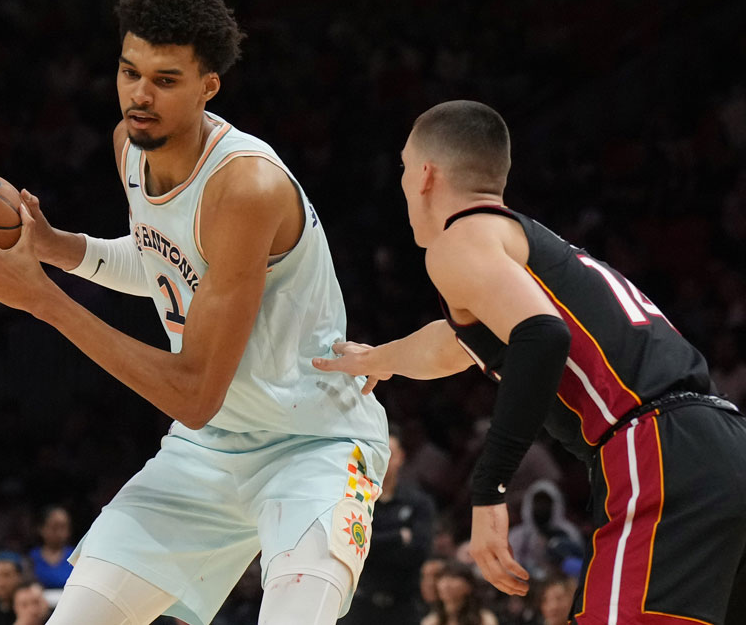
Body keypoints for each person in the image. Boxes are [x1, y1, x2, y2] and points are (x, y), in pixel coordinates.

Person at [0, 0, 389, 625]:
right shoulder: (130, 146)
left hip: (318, 445)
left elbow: (194, 391)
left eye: (165, 80)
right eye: (129, 71)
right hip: (211, 449)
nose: (140, 95)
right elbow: (166, 265)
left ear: (208, 87)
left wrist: (43, 299)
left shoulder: (246, 187)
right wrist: (58, 247)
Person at [315, 100, 746, 624]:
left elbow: (541, 336)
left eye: (405, 168)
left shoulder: (459, 237)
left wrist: (489, 488)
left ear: (425, 175)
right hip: (721, 441)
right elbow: (454, 343)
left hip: (657, 448)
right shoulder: (518, 246)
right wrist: (381, 358)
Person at [341, 424, 435, 625]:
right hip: (358, 606)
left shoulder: (418, 502)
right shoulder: (352, 499)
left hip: (403, 608)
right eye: (377, 453)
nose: (383, 460)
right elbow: (347, 546)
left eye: (389, 454)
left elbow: (420, 551)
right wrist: (398, 537)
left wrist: (371, 543)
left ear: (401, 457)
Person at [505, 480, 582, 580]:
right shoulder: (518, 535)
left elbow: (579, 568)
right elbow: (508, 568)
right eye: (538, 502)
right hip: (527, 586)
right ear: (529, 504)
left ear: (555, 503)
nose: (541, 507)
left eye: (546, 503)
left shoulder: (569, 532)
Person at [420, 561, 497, 625]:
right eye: (443, 578)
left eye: (453, 577)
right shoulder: (431, 621)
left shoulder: (484, 619)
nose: (446, 584)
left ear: (468, 586)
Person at [28, 506, 74, 591]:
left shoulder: (76, 556)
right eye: (55, 527)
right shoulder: (32, 558)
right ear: (41, 528)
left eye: (64, 527)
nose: (60, 533)